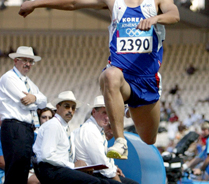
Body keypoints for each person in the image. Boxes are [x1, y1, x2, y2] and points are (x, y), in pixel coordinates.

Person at [19, 0, 180, 160]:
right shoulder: (114, 2)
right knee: (109, 75)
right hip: (121, 75)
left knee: (148, 139)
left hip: (147, 80)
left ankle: (130, 107)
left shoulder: (156, 1)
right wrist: (35, 3)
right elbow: (74, 3)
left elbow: (174, 15)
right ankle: (120, 141)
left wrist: (156, 19)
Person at [33, 91, 135, 184]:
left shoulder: (64, 127)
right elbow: (47, 155)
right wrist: (72, 166)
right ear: (58, 107)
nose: (70, 110)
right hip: (51, 171)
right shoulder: (53, 126)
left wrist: (77, 165)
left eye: (73, 108)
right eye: (67, 106)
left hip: (57, 169)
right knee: (92, 183)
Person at [74, 95, 141, 184]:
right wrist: (116, 176)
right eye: (104, 112)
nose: (107, 117)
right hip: (92, 175)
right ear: (94, 111)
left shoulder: (97, 130)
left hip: (98, 173)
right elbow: (101, 163)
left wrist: (113, 167)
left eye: (109, 113)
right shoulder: (90, 131)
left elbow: (103, 159)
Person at [0, 46, 47, 184]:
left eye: (30, 61)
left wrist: (34, 98)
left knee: (19, 175)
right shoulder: (8, 78)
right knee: (15, 174)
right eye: (24, 60)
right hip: (14, 126)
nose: (28, 64)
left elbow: (41, 101)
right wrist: (35, 99)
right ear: (15, 61)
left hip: (26, 128)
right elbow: (24, 101)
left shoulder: (29, 83)